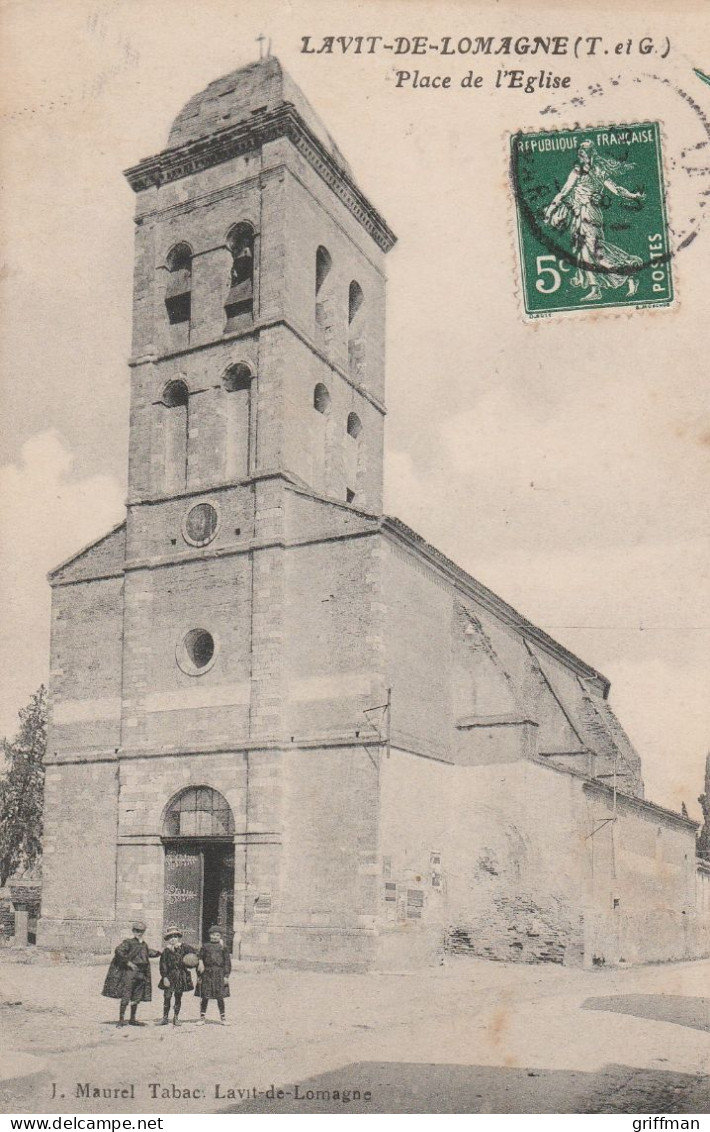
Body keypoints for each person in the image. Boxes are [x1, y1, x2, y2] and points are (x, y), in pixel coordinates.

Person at [543, 140, 645, 301]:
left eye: (583, 154)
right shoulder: (599, 171)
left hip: (587, 213)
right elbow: (617, 190)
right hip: (582, 214)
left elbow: (563, 192)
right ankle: (595, 289)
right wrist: (633, 196)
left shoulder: (580, 172)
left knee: (595, 250)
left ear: (589, 154)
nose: (581, 157)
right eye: (580, 154)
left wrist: (550, 210)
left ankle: (628, 273)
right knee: (585, 252)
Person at [102, 921, 160, 1027]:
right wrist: (128, 962)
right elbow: (118, 951)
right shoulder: (128, 942)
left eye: (141, 931)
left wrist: (159, 953)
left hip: (142, 973)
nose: (139, 933)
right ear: (133, 931)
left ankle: (132, 1019)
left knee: (137, 996)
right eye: (137, 931)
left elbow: (148, 953)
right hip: (131, 973)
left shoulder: (144, 944)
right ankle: (121, 1020)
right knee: (126, 995)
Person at [157, 924, 196, 1027]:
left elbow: (195, 954)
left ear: (178, 937)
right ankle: (165, 1017)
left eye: (175, 936)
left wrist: (192, 962)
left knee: (178, 997)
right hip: (169, 976)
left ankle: (176, 1017)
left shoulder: (184, 947)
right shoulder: (166, 951)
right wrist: (164, 977)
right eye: (170, 937)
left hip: (180, 976)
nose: (173, 939)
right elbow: (163, 965)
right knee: (167, 996)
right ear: (167, 939)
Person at [195, 924, 231, 1025]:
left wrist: (226, 976)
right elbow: (199, 958)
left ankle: (223, 1018)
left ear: (220, 937)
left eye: (217, 935)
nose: (214, 937)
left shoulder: (223, 948)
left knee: (220, 996)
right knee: (205, 996)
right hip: (207, 973)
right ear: (209, 935)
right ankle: (202, 1018)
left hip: (219, 974)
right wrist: (200, 970)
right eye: (212, 935)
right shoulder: (205, 946)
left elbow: (227, 963)